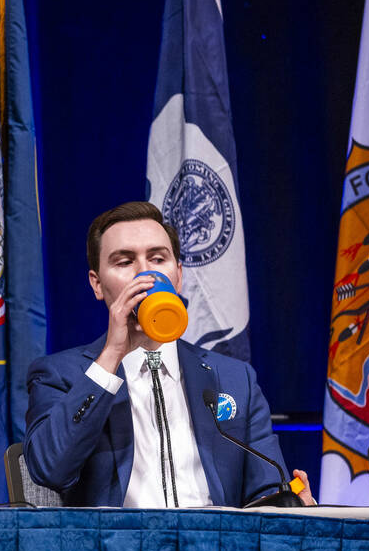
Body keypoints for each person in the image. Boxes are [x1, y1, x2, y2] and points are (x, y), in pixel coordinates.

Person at [24, 201, 314, 507]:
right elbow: (48, 470)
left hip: (214, 549)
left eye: (157, 258)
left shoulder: (234, 378)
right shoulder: (60, 374)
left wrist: (288, 502)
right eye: (124, 262)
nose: (145, 274)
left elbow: (266, 490)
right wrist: (110, 357)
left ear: (177, 275)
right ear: (97, 285)